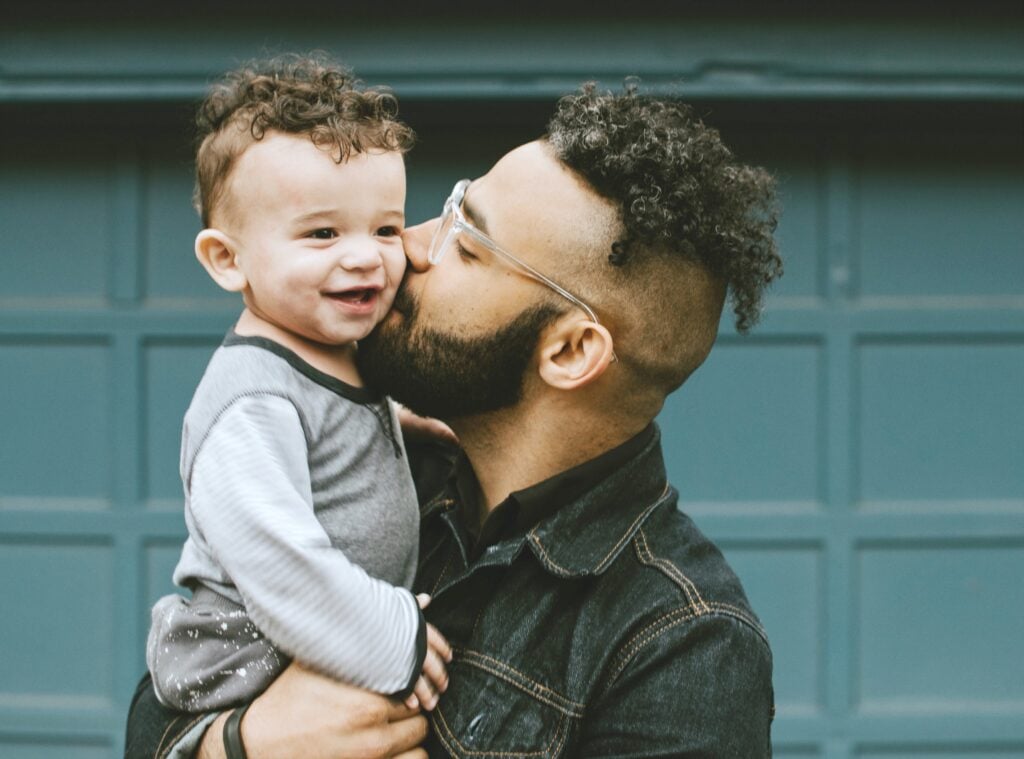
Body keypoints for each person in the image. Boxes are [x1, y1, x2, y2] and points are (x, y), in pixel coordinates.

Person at [126, 77, 783, 758]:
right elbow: (165, 697)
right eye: (446, 212)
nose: (404, 247)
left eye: (467, 245)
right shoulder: (373, 465)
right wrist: (238, 744)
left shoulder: (681, 642)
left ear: (570, 349)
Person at [143, 52, 452, 727]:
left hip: (311, 641)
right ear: (228, 259)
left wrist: (403, 424)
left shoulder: (332, 352)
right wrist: (387, 636)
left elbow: (333, 427)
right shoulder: (252, 403)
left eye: (386, 228)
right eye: (322, 233)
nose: (365, 254)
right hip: (245, 656)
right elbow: (278, 559)